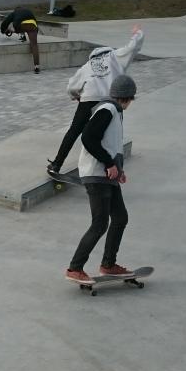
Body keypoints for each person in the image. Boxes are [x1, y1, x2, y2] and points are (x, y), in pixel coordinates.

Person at [65, 75, 139, 284]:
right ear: (127, 97)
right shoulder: (107, 110)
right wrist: (108, 164)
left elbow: (110, 143)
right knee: (99, 223)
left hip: (106, 176)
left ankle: (108, 265)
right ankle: (75, 268)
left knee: (120, 218)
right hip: (96, 175)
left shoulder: (114, 111)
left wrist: (118, 168)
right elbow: (88, 137)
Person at [48, 25, 144, 176]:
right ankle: (113, 166)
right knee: (113, 133)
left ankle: (56, 164)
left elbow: (71, 86)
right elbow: (133, 47)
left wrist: (76, 96)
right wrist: (137, 33)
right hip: (112, 100)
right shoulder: (116, 56)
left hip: (89, 99)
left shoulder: (87, 65)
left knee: (74, 131)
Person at [0, 6, 41, 74]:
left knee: (16, 27)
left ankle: (10, 30)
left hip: (21, 26)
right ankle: (36, 66)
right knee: (34, 45)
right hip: (33, 25)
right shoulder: (28, 11)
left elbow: (5, 22)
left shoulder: (15, 12)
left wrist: (2, 30)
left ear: (16, 9)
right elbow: (35, 21)